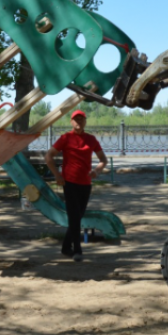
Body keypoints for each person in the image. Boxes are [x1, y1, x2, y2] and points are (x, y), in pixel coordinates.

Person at [45, 110, 108, 262]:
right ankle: (77, 250)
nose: (78, 122)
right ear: (71, 122)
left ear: (85, 122)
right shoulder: (66, 138)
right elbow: (49, 156)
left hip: (86, 184)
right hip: (69, 183)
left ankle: (66, 247)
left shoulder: (91, 139)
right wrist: (57, 175)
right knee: (74, 217)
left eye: (81, 119)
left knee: (77, 217)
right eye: (76, 119)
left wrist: (96, 171)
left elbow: (103, 159)